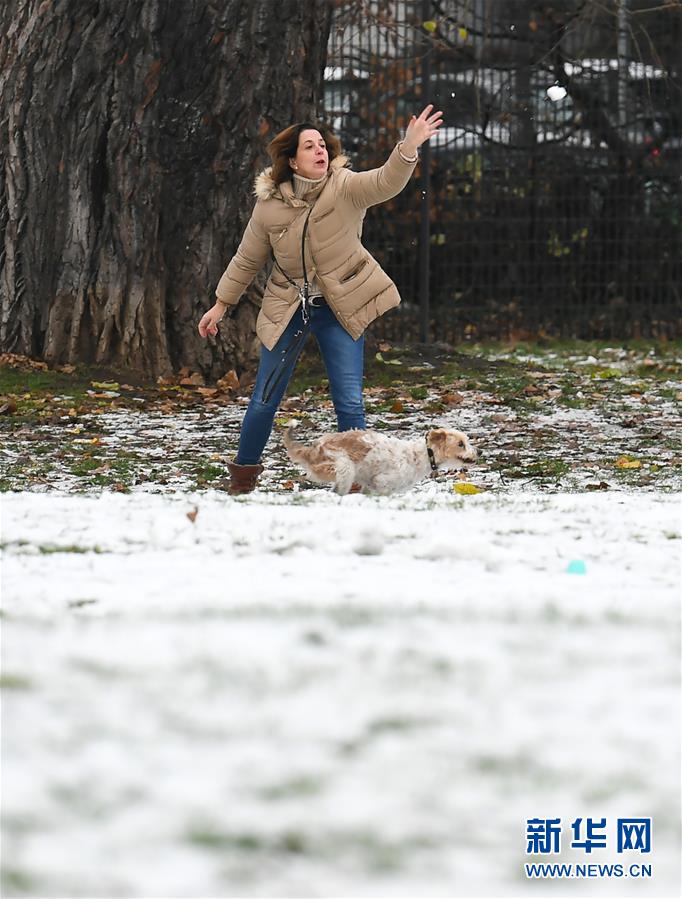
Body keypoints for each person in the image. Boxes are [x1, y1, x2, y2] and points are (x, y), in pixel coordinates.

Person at [198, 104, 443, 494]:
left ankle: (357, 483)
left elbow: (384, 182)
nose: (320, 151)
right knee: (263, 400)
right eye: (309, 146)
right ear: (292, 161)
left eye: (322, 145)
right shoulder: (269, 205)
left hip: (339, 307)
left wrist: (407, 148)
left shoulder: (344, 186)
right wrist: (221, 305)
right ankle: (242, 480)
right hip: (288, 306)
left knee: (349, 402)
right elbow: (247, 258)